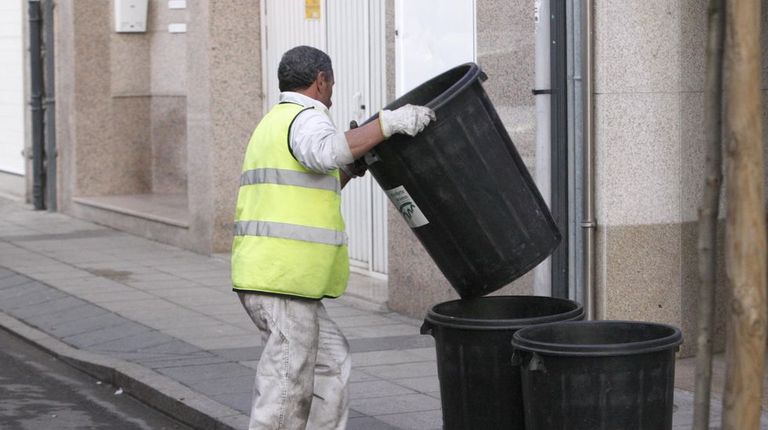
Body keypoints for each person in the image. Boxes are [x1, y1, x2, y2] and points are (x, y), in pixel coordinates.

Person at [230, 45, 435, 430]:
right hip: (280, 280)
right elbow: (324, 152)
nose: (333, 94)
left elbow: (315, 178)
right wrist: (388, 124)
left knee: (329, 363)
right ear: (320, 80)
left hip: (276, 279)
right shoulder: (306, 117)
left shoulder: (276, 122)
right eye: (332, 85)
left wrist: (352, 167)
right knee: (287, 385)